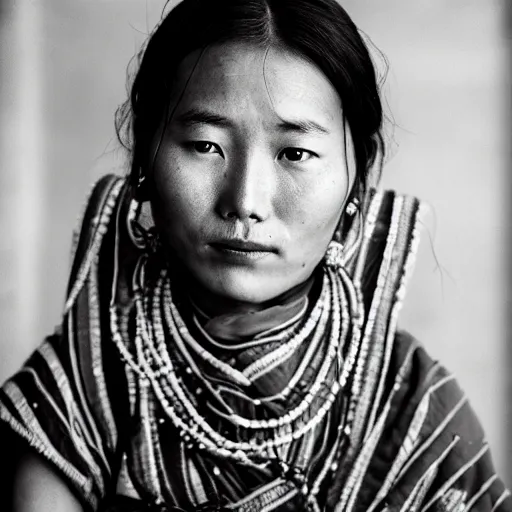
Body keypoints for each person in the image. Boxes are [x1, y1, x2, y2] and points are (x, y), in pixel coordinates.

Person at [1, 0, 510, 511]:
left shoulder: (415, 415)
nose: (245, 201)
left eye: (295, 154)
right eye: (204, 145)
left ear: (359, 172)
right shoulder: (76, 394)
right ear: (144, 152)